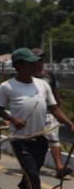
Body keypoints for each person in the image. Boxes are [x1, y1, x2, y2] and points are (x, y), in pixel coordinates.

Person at [0, 48, 74, 189]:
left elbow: (54, 109)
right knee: (33, 176)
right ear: (19, 65)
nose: (37, 65)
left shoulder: (42, 85)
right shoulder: (7, 86)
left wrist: (70, 124)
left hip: (39, 139)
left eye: (37, 62)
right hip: (20, 140)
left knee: (30, 176)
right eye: (31, 63)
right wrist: (12, 119)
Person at [32, 48, 70, 178]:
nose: (39, 62)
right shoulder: (27, 76)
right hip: (33, 114)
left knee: (54, 140)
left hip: (49, 112)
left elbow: (55, 92)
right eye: (37, 60)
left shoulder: (49, 75)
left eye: (41, 59)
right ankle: (33, 165)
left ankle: (59, 167)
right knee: (35, 141)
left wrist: (58, 109)